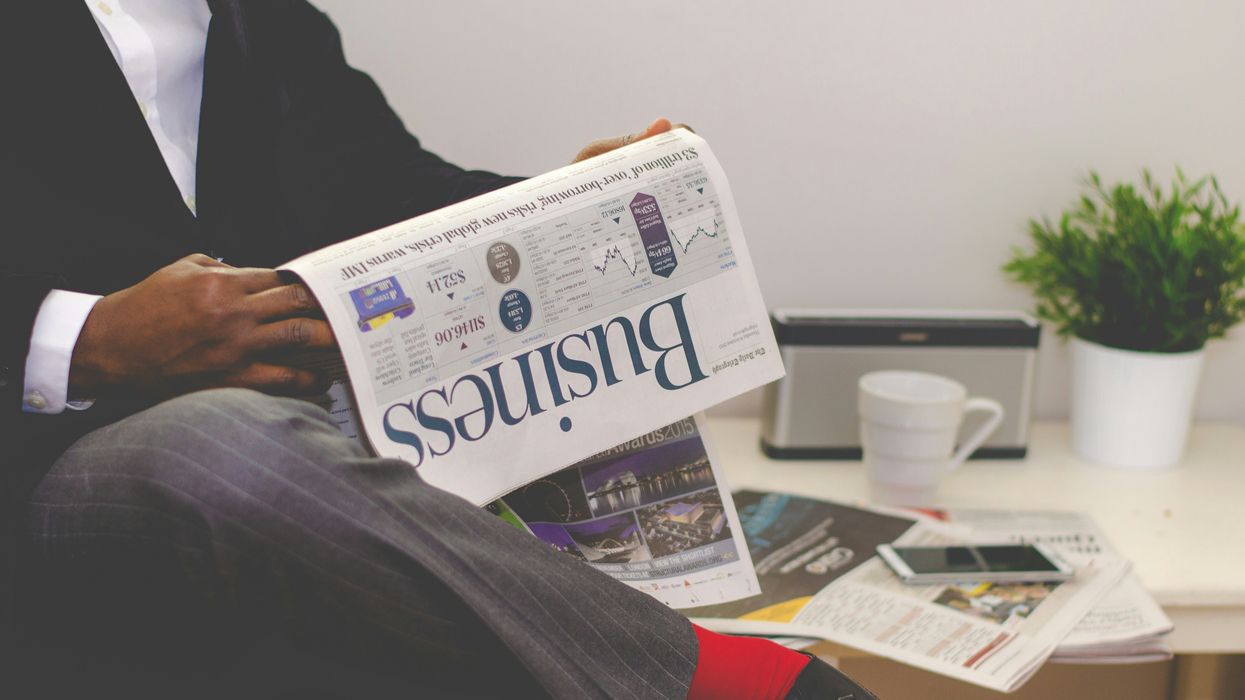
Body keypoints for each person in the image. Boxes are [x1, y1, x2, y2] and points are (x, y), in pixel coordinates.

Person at [1, 2, 876, 698]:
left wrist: (573, 203)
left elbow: (391, 199)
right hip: (57, 462)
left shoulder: (268, 21)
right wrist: (82, 342)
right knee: (220, 446)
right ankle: (742, 685)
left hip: (312, 450)